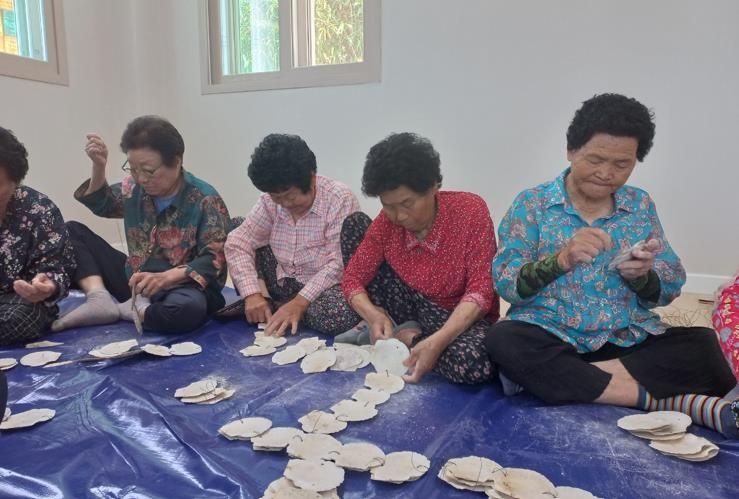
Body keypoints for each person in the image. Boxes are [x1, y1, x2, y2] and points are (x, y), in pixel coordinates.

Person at [485, 93, 738, 438]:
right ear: (571, 151)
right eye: (595, 159)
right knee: (504, 339)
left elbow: (669, 284)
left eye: (622, 164)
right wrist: (559, 261)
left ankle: (560, 382)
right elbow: (506, 283)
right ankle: (659, 400)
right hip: (552, 335)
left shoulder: (639, 205)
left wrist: (643, 276)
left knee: (706, 348)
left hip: (624, 339)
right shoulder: (533, 204)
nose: (606, 174)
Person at [341, 132, 499, 384]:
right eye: (388, 205)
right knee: (355, 225)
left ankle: (409, 340)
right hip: (408, 304)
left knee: (474, 364)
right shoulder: (386, 224)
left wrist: (437, 341)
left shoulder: (470, 211)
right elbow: (352, 278)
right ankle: (390, 327)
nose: (398, 216)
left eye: (407, 203)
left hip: (456, 318)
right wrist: (372, 314)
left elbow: (481, 292)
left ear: (433, 185)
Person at [51, 115, 231, 334]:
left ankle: (138, 310)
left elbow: (215, 259)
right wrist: (99, 166)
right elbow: (103, 204)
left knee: (187, 310)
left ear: (176, 161)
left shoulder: (204, 199)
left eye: (148, 171)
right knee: (72, 231)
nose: (141, 179)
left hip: (181, 288)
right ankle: (100, 300)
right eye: (133, 169)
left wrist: (167, 277)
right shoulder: (133, 188)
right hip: (136, 280)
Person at [225, 133, 361, 337]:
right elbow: (238, 242)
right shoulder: (270, 201)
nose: (285, 204)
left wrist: (299, 303)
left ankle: (283, 308)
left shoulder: (339, 198)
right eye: (276, 197)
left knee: (339, 312)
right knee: (237, 227)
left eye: (290, 196)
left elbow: (338, 264)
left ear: (311, 177)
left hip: (320, 289)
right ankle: (266, 303)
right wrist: (252, 294)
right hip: (281, 279)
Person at [0, 126, 74, 345]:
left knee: (21, 318)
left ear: (15, 181)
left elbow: (57, 271)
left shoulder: (39, 209)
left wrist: (46, 286)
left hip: (16, 304)